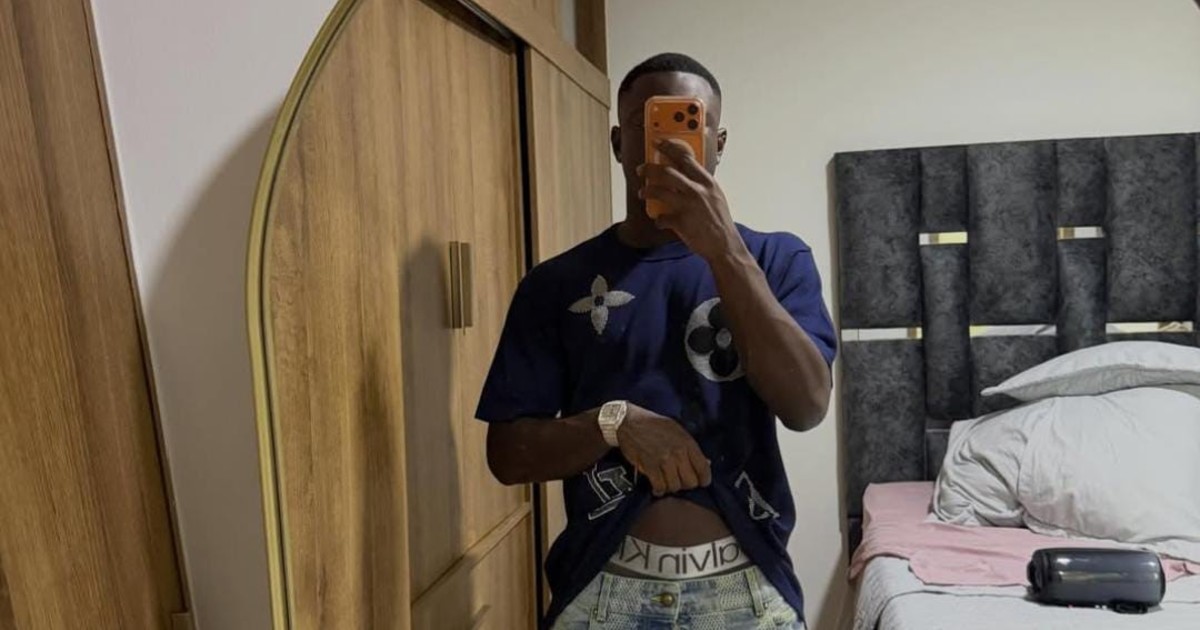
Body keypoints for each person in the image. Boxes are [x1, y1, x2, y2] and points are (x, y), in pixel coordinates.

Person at [476, 52, 836, 629]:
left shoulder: (776, 259)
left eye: (688, 124)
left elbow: (807, 406)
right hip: (603, 590)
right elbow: (508, 455)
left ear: (718, 144)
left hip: (746, 589)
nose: (667, 144)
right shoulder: (556, 284)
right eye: (648, 124)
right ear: (619, 143)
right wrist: (613, 423)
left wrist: (723, 249)